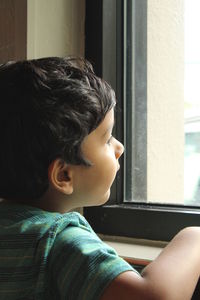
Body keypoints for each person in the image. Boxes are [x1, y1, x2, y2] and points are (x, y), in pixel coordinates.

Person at [0, 57, 199, 300]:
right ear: (63, 175)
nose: (120, 147)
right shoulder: (55, 240)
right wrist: (194, 236)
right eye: (106, 139)